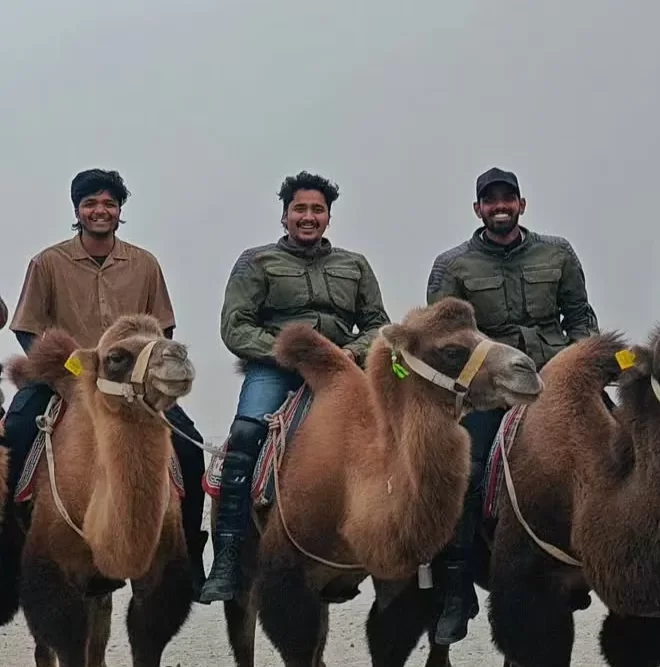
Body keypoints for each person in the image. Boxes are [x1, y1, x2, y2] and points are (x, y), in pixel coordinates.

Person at [1, 168, 208, 593]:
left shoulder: (145, 264)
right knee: (17, 432)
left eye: (109, 203)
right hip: (66, 378)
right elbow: (26, 328)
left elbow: (162, 331)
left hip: (132, 386)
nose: (100, 210)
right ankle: (10, 549)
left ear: (120, 210)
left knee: (188, 445)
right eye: (91, 203)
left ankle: (186, 555)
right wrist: (62, 375)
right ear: (77, 209)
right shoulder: (47, 263)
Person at [426, 166, 600, 645]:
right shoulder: (453, 265)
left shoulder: (558, 253)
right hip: (490, 386)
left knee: (619, 449)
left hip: (555, 379)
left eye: (508, 199)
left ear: (522, 204)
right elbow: (445, 336)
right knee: (465, 471)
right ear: (478, 209)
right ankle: (456, 590)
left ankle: (624, 560)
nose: (500, 206)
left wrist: (580, 364)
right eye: (490, 200)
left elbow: (580, 315)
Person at [202, 170, 391, 604]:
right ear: (285, 216)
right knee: (245, 435)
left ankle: (405, 544)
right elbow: (236, 327)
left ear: (328, 217)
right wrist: (290, 353)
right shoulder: (256, 261)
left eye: (317, 210)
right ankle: (229, 556)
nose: (308, 217)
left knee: (395, 437)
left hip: (344, 369)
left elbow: (378, 324)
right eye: (300, 209)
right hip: (277, 368)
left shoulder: (355, 265)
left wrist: (351, 350)